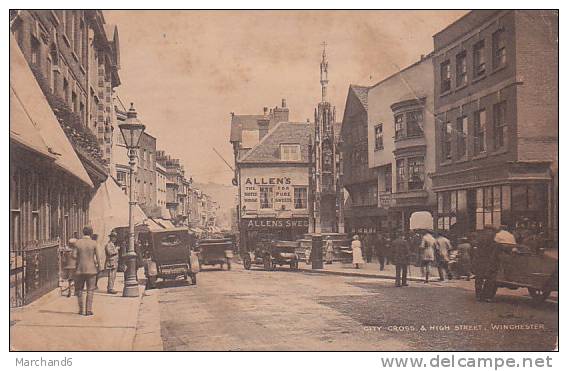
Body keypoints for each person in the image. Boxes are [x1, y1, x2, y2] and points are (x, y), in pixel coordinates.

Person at [73, 225, 100, 316]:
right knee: (90, 290)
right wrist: (99, 267)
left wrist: (80, 258)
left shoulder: (78, 243)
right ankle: (88, 310)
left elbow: (73, 255)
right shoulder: (94, 243)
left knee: (79, 290)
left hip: (80, 269)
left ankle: (81, 310)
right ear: (91, 233)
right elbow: (98, 257)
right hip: (92, 269)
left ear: (83, 232)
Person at [62, 232, 79, 297]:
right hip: (75, 266)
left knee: (69, 279)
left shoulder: (66, 251)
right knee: (76, 279)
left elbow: (63, 260)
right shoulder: (76, 251)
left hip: (68, 267)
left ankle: (69, 291)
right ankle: (75, 292)